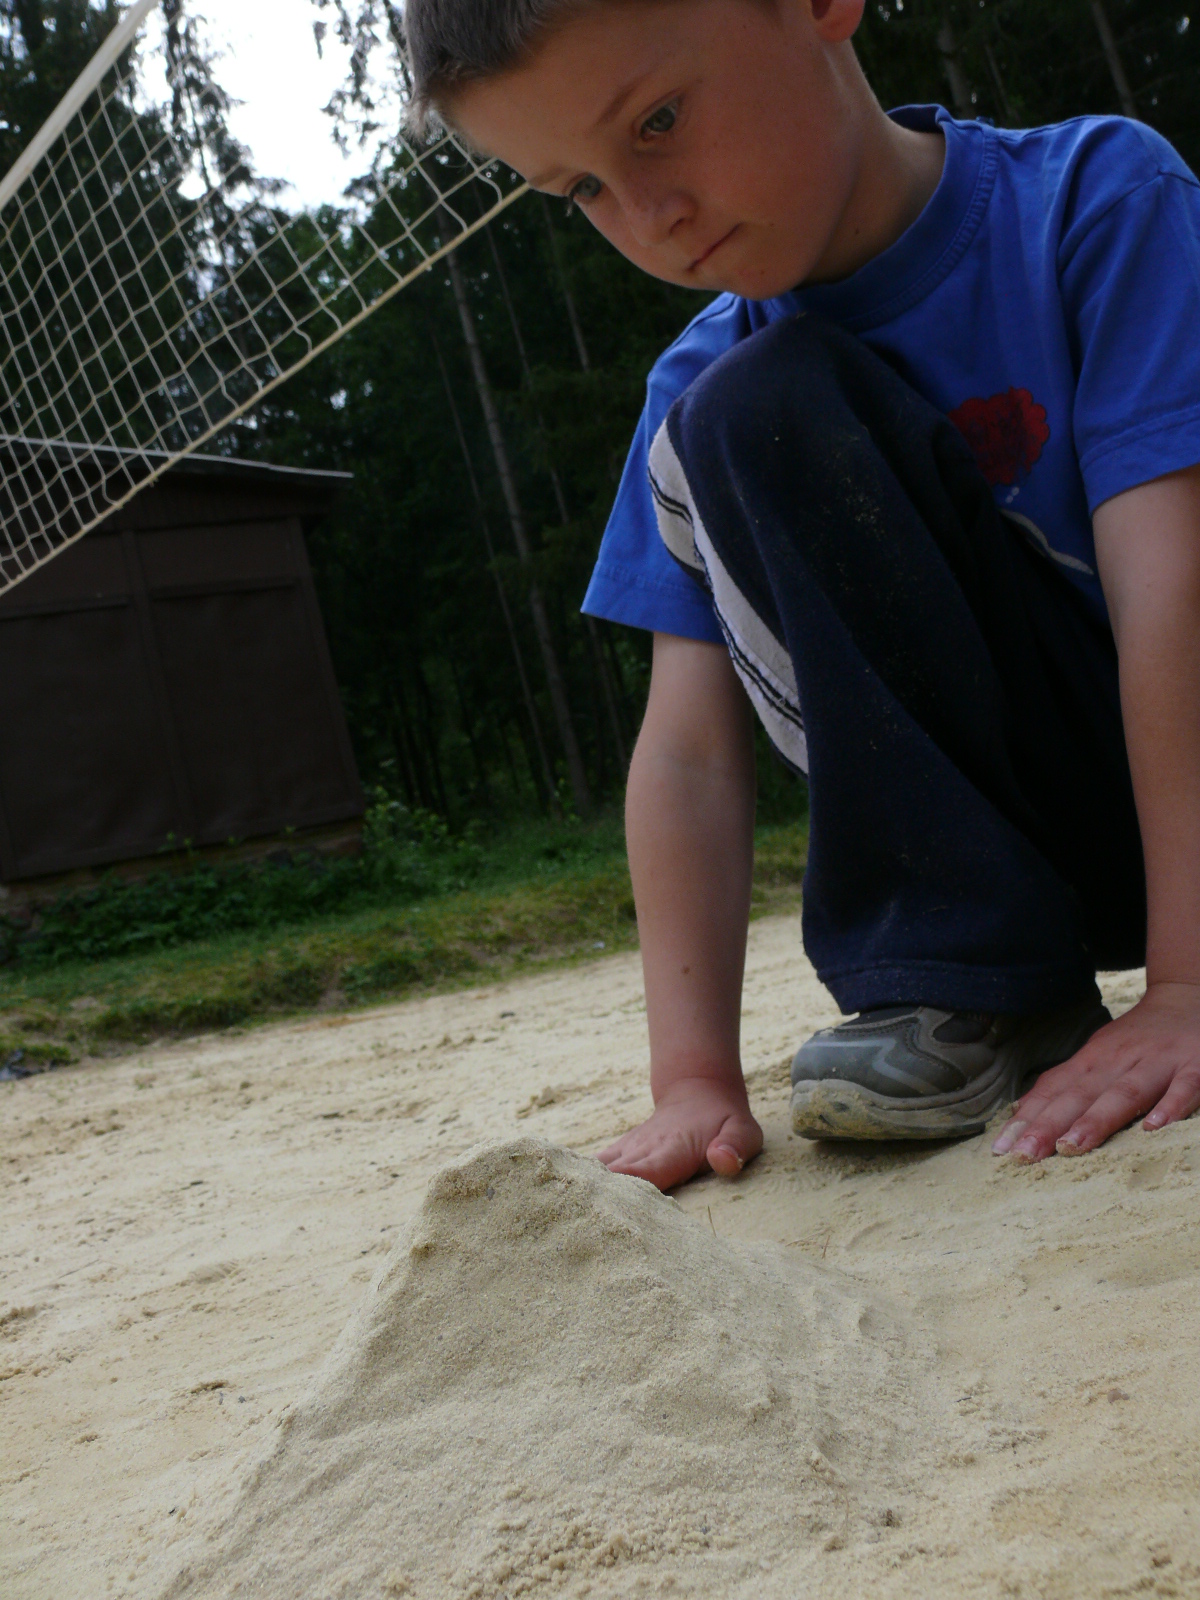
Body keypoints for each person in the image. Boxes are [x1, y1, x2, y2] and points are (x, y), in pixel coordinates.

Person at [406, 0, 1200, 1191]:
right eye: (583, 190)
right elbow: (688, 755)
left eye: (657, 122)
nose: (650, 217)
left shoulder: (1098, 201)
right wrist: (692, 1080)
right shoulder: (697, 398)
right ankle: (980, 983)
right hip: (1046, 855)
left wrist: (1186, 985)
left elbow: (1171, 593)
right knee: (747, 403)